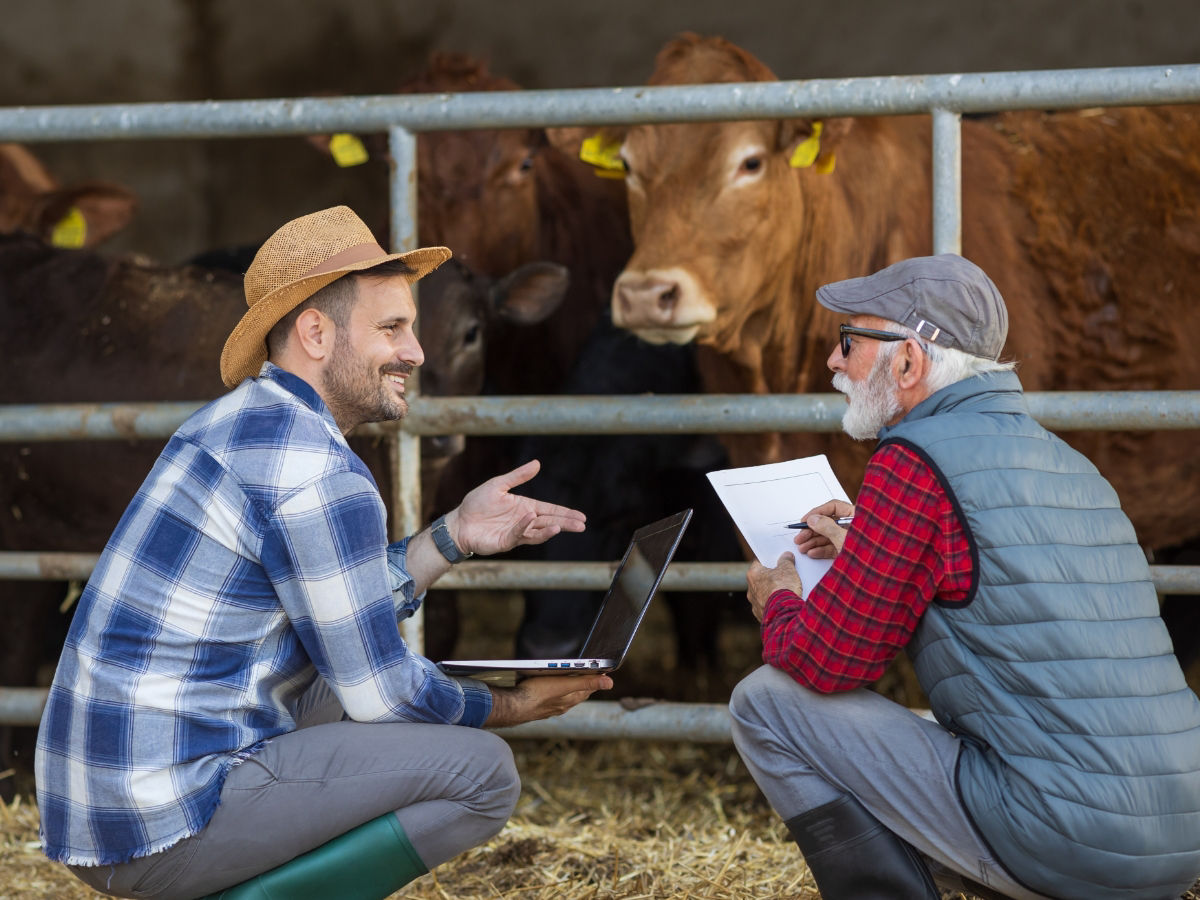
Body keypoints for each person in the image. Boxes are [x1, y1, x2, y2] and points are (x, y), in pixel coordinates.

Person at [34, 205, 612, 900]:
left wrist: (455, 534)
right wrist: (515, 706)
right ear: (316, 331)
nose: (416, 353)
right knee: (483, 772)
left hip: (106, 804)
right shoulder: (316, 470)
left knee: (341, 680)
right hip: (158, 821)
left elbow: (342, 608)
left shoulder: (241, 421)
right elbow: (384, 695)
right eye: (392, 328)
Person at [729, 254, 1200, 900]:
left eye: (850, 342)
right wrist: (871, 539)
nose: (835, 363)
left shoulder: (913, 462)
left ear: (908, 363)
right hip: (1178, 837)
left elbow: (824, 660)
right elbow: (995, 572)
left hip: (1066, 836)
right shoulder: (1071, 464)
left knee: (764, 703)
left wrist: (780, 602)